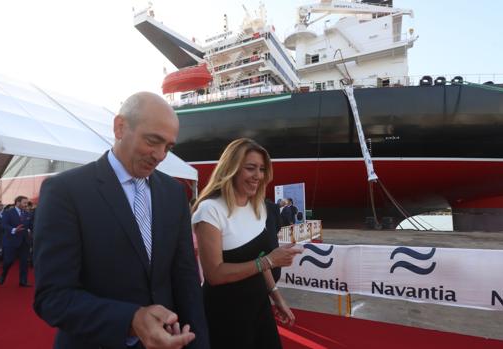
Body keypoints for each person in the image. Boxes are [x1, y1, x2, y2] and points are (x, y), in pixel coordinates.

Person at [33, 92, 208, 349]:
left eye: (168, 147)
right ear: (120, 127)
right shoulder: (66, 191)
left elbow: (186, 280)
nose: (160, 155)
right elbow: (52, 297)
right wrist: (131, 319)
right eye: (153, 141)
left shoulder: (172, 193)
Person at [192, 138, 303, 349]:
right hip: (226, 314)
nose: (258, 176)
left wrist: (276, 297)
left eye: (261, 169)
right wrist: (269, 260)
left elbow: (260, 256)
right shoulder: (210, 210)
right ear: (231, 169)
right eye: (250, 168)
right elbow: (214, 274)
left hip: (259, 307)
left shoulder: (258, 207)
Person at [0, 195, 32, 287]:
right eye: (24, 202)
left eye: (27, 203)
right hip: (11, 241)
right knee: (9, 261)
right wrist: (13, 230)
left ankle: (23, 281)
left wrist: (31, 231)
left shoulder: (27, 213)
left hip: (24, 242)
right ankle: (3, 274)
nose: (26, 204)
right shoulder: (8, 212)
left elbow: (30, 225)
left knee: (24, 262)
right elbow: (3, 224)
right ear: (17, 202)